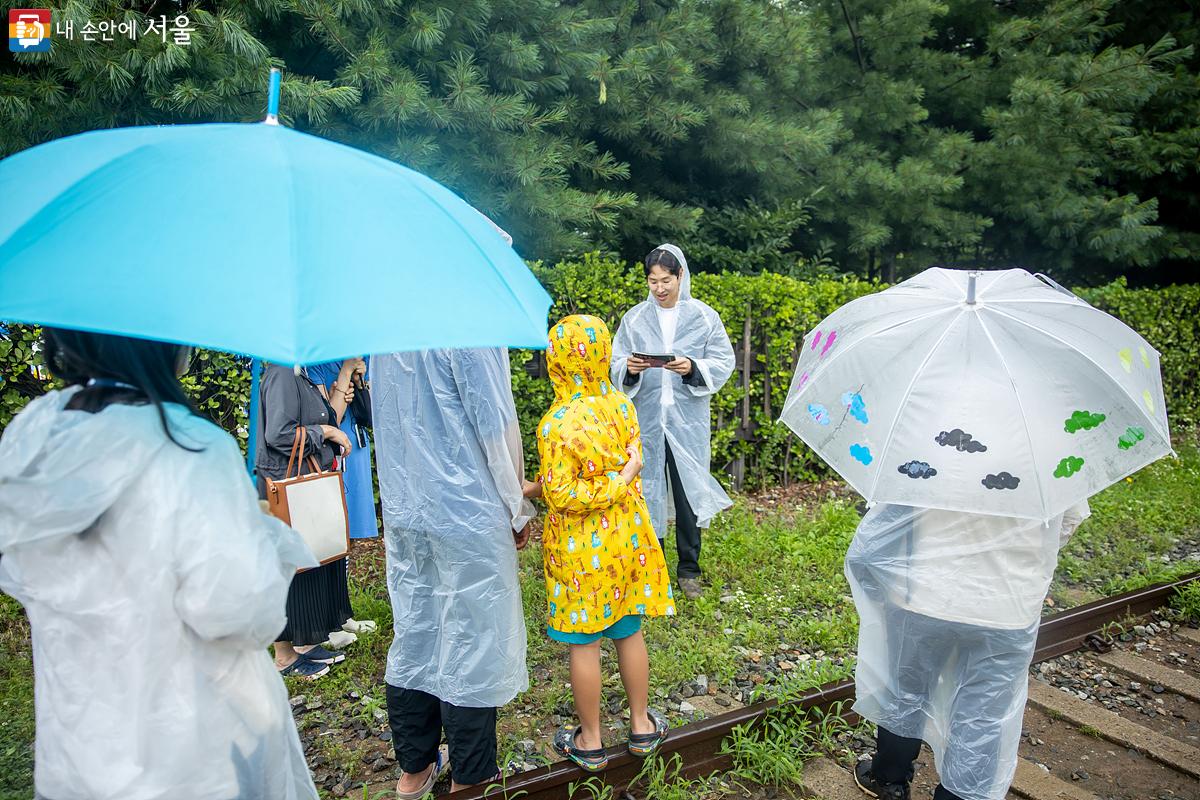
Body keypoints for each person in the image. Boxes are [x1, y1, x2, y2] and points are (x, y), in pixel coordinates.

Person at [0, 329, 318, 800]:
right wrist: (263, 536)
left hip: (76, 750)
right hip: (191, 755)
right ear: (161, 342)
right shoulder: (188, 447)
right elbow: (239, 614)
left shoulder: (33, 435)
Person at [371, 347, 536, 798]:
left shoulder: (384, 325)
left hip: (407, 504)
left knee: (416, 630)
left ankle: (414, 770)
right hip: (467, 508)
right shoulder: (468, 319)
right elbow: (494, 423)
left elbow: (387, 415)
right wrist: (516, 506)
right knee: (473, 637)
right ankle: (470, 776)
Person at [846, 502, 1091, 800]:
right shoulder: (1048, 458)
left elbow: (888, 522)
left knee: (906, 689)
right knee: (983, 714)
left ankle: (889, 780)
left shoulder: (931, 453)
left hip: (925, 597)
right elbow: (1068, 523)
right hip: (1007, 609)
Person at [537, 315, 675, 773]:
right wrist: (620, 479)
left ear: (557, 359)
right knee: (628, 630)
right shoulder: (621, 405)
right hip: (626, 539)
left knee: (585, 642)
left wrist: (618, 480)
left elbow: (566, 494)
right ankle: (640, 726)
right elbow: (615, 465)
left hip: (580, 550)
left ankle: (591, 740)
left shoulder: (555, 422)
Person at [611, 244, 735, 599]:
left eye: (666, 280)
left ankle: (689, 569)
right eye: (653, 281)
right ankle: (653, 567)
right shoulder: (634, 319)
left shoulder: (704, 317)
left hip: (686, 422)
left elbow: (723, 361)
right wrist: (628, 369)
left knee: (686, 494)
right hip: (646, 421)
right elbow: (617, 360)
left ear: (681, 276)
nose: (660, 288)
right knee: (646, 491)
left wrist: (693, 367)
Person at [256, 358, 362, 678]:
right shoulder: (282, 374)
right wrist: (326, 431)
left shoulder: (298, 375)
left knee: (307, 563)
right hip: (288, 488)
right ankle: (288, 657)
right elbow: (279, 434)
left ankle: (304, 646)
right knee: (294, 568)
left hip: (304, 483)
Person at [305, 358, 379, 648]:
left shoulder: (362, 356)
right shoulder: (315, 360)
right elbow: (325, 418)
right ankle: (326, 620)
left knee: (343, 536)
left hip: (354, 447)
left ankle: (340, 613)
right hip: (329, 453)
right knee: (328, 535)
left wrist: (358, 382)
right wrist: (345, 376)